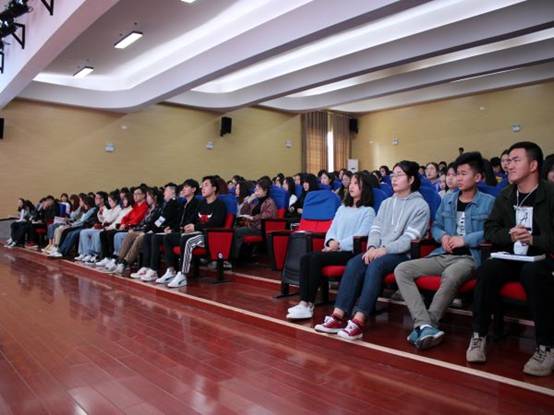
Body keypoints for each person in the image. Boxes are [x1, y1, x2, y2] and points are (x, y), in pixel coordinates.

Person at [314, 161, 430, 340]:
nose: (394, 178)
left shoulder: (420, 206)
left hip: (402, 255)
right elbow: (375, 229)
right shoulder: (387, 203)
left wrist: (383, 250)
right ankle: (338, 316)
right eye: (393, 174)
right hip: (379, 251)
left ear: (411, 179)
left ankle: (359, 321)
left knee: (376, 265)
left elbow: (409, 239)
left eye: (399, 175)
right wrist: (372, 247)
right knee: (355, 263)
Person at [466, 141, 554, 377]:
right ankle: (478, 335)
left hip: (543, 257)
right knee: (487, 270)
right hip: (512, 254)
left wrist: (533, 239)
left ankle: (546, 347)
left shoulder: (550, 194)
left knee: (533, 273)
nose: (509, 166)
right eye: (508, 161)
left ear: (533, 165)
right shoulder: (506, 195)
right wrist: (509, 234)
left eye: (516, 160)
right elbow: (490, 230)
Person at [394, 152, 495, 349]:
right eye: (457, 174)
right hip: (443, 253)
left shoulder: (489, 202)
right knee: (402, 269)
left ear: (477, 177)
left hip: (469, 257)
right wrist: (443, 237)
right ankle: (424, 324)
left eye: (463, 174)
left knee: (451, 274)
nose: (458, 178)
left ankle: (427, 325)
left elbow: (492, 231)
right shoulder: (448, 199)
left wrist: (464, 240)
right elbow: (437, 226)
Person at [287, 172, 376, 320]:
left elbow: (361, 235)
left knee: (315, 258)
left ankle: (308, 304)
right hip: (334, 248)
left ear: (364, 187)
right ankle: (304, 303)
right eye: (351, 183)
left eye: (355, 183)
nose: (351, 186)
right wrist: (330, 242)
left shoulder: (368, 211)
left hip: (350, 252)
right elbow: (331, 229)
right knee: (305, 258)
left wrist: (338, 245)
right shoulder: (342, 208)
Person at [161, 176, 227, 288]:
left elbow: (216, 223)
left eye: (206, 185)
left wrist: (195, 227)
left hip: (208, 236)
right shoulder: (201, 204)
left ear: (214, 188)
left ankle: (182, 274)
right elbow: (193, 219)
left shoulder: (220, 205)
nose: (202, 188)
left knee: (187, 240)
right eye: (202, 185)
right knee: (168, 237)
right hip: (196, 233)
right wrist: (187, 226)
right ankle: (171, 270)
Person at [134, 180, 199, 281]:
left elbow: (163, 219)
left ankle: (154, 269)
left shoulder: (174, 203)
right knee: (148, 236)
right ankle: (147, 266)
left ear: (172, 192)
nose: (164, 193)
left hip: (182, 231)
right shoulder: (175, 204)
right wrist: (153, 229)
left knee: (154, 237)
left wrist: (155, 229)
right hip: (172, 229)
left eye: (166, 191)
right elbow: (160, 220)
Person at [233, 178, 277, 260]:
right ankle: (239, 255)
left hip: (261, 229)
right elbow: (243, 211)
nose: (256, 192)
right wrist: (249, 201)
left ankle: (235, 257)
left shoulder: (270, 202)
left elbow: (267, 215)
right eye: (255, 189)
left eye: (258, 189)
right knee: (234, 228)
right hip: (252, 225)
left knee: (238, 231)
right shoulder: (256, 201)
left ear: (265, 191)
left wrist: (252, 217)